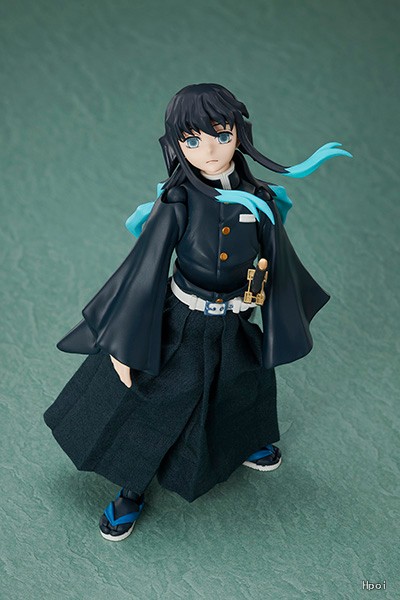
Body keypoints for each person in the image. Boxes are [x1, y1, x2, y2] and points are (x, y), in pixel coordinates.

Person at [43, 83, 351, 542]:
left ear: (239, 134)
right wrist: (123, 341)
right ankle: (131, 487)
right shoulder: (179, 202)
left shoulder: (261, 199)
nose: (209, 151)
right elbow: (143, 268)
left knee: (241, 386)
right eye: (192, 140)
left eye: (221, 135)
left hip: (234, 319)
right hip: (181, 320)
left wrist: (274, 307)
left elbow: (279, 258)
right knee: (155, 399)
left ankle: (247, 440)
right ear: (176, 144)